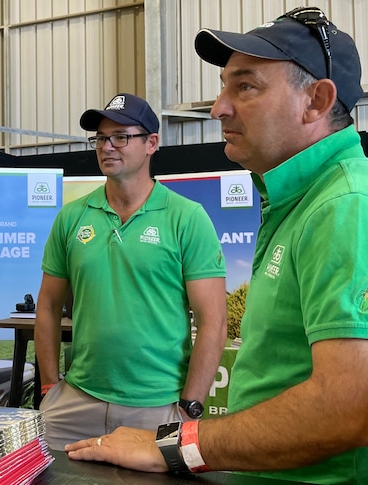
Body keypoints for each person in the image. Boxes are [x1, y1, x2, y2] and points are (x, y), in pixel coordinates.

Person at [65, 7, 368, 484]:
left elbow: (347, 411)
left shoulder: (351, 209)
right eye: (223, 86)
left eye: (245, 86)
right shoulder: (304, 201)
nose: (218, 107)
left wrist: (175, 445)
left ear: (316, 101)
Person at [34, 92, 228, 449]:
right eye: (101, 138)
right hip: (74, 402)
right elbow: (46, 306)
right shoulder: (71, 217)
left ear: (151, 143)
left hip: (158, 407)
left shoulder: (186, 217)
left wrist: (190, 406)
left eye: (121, 137)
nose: (107, 147)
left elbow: (213, 320)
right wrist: (49, 385)